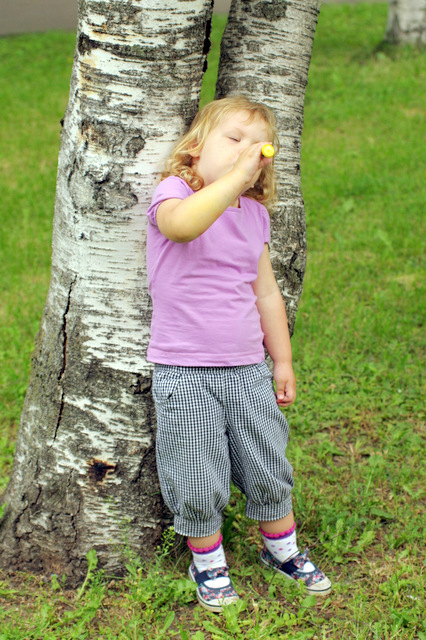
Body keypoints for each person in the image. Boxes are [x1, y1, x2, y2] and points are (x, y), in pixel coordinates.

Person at [145, 95, 331, 612]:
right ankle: (208, 563)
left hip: (247, 368)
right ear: (195, 147)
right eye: (234, 139)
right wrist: (232, 181)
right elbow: (182, 227)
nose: (248, 151)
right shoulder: (175, 193)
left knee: (267, 460)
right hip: (185, 369)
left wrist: (282, 360)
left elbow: (266, 293)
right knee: (195, 471)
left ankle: (282, 550)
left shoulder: (253, 217)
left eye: (259, 146)